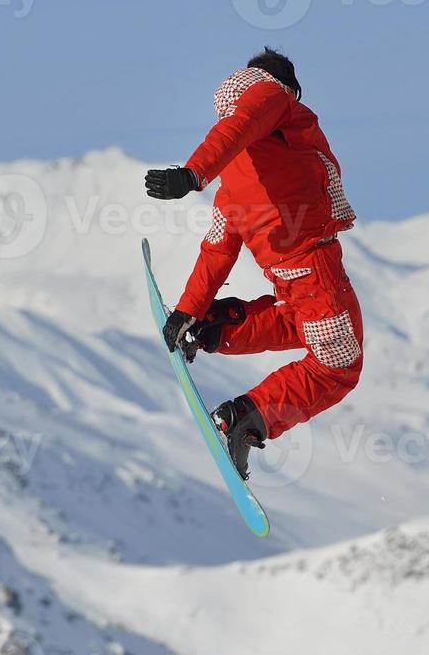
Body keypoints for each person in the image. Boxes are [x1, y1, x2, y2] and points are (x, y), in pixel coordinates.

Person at [144, 48, 363, 480]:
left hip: (293, 276)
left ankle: (214, 327)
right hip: (313, 263)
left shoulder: (240, 177)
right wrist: (192, 176)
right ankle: (247, 417)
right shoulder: (271, 94)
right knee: (338, 366)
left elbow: (219, 246)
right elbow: (242, 124)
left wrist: (190, 310)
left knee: (301, 324)